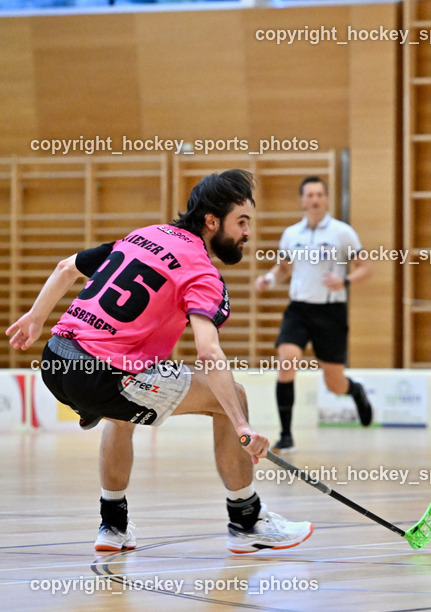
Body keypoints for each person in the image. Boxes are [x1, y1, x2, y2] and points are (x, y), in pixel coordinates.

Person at [6, 170, 313, 554]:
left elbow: (66, 268)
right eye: (242, 222)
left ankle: (113, 526)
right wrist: (242, 425)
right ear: (212, 221)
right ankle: (247, 521)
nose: (247, 233)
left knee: (123, 413)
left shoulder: (144, 236)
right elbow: (209, 353)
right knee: (229, 395)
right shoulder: (202, 271)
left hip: (56, 360)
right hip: (108, 374)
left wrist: (36, 319)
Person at [255, 176, 373, 452]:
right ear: (302, 199)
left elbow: (365, 267)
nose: (315, 199)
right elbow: (283, 268)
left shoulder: (342, 232)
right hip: (299, 309)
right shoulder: (291, 234)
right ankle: (285, 434)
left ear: (327, 199)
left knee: (335, 384)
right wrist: (268, 280)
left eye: (320, 194)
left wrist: (345, 281)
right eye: (310, 195)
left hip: (331, 312)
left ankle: (354, 391)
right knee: (287, 360)